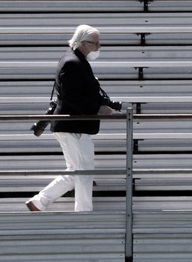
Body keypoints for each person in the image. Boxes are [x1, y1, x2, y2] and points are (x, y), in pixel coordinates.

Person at [26, 24, 121, 212]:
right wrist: (97, 109)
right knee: (84, 173)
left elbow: (79, 93)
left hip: (74, 127)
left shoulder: (76, 60)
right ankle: (83, 214)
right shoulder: (72, 63)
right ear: (83, 43)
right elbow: (72, 97)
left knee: (76, 172)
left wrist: (101, 104)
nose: (99, 47)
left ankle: (39, 202)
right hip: (74, 127)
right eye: (96, 43)